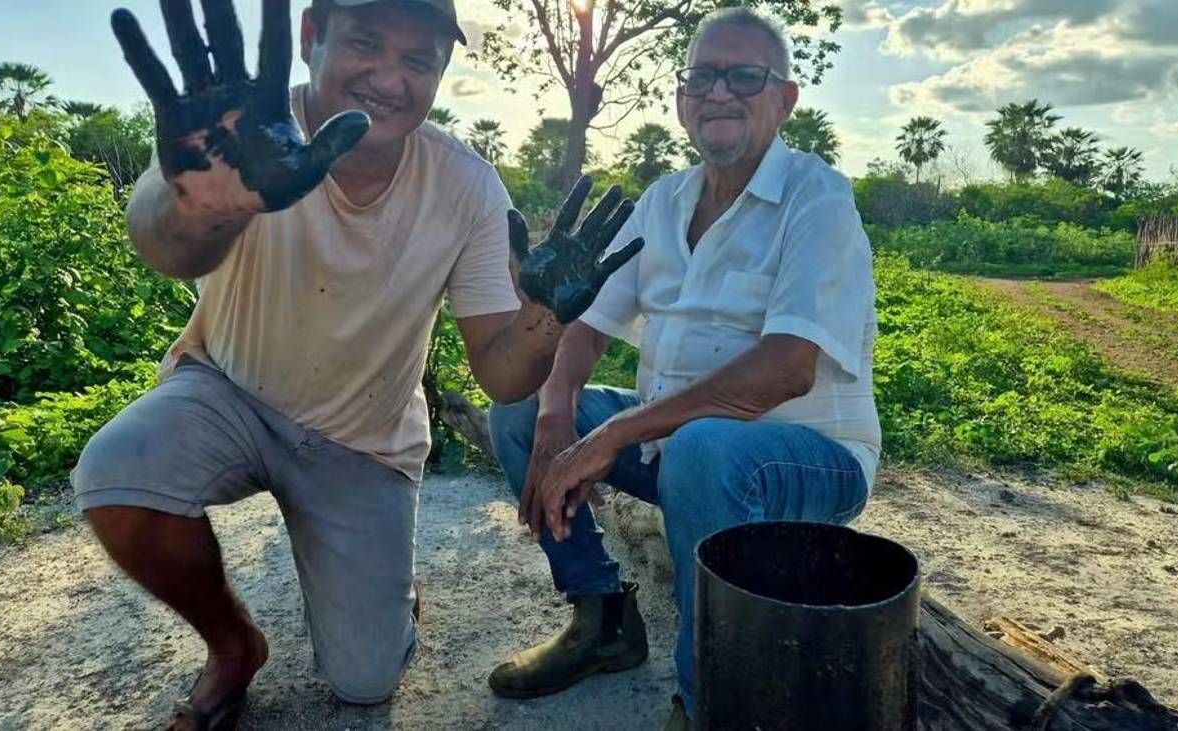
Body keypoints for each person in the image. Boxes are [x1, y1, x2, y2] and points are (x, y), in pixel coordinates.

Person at [70, 0, 640, 728]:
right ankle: (233, 645)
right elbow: (164, 246)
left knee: (364, 681)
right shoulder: (244, 131)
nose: (390, 78)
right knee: (118, 470)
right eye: (366, 44)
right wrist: (210, 203)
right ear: (311, 36)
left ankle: (385, 592)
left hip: (364, 442)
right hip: (226, 390)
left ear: (440, 73)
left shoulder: (466, 185)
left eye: (419, 60)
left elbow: (502, 376)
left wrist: (544, 321)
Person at [485, 7, 881, 729]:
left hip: (806, 457)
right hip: (678, 450)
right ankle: (601, 617)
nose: (718, 93)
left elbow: (787, 370)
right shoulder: (664, 201)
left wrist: (611, 434)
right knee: (518, 405)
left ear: (784, 99)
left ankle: (712, 705)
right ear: (680, 96)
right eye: (702, 76)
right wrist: (555, 415)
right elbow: (589, 324)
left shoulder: (816, 199)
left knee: (702, 447)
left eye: (745, 77)